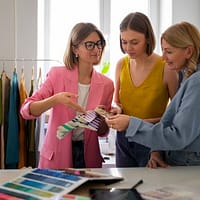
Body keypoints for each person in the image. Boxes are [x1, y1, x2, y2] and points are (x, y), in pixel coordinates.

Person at [20, 22, 114, 169]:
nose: (97, 49)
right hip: (57, 155)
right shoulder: (57, 74)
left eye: (99, 44)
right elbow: (27, 110)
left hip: (88, 157)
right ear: (75, 48)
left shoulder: (107, 84)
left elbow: (102, 132)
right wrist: (56, 99)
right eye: (90, 45)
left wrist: (103, 118)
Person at [106, 21, 200, 167]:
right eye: (124, 42)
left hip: (183, 161)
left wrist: (131, 123)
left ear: (188, 51)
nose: (164, 57)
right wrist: (156, 149)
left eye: (169, 52)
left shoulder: (195, 82)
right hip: (144, 142)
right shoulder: (189, 77)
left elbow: (178, 135)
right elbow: (171, 120)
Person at [112, 12, 178, 167]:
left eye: (134, 42)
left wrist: (136, 123)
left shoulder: (166, 68)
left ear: (148, 38)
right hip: (123, 138)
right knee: (124, 187)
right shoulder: (121, 64)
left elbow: (176, 115)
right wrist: (116, 111)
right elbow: (118, 102)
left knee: (150, 189)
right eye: (124, 42)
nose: (128, 48)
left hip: (151, 141)